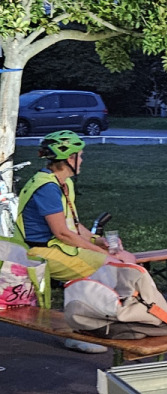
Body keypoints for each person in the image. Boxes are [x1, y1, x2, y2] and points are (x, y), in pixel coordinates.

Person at [14, 130, 138, 352]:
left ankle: (112, 321)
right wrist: (102, 253)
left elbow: (73, 225)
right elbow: (63, 233)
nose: (82, 160)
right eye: (79, 156)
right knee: (111, 267)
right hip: (38, 251)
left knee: (127, 259)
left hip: (57, 246)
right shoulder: (47, 188)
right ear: (68, 159)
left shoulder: (62, 182)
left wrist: (97, 240)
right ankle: (79, 332)